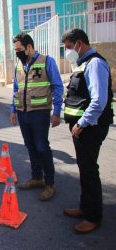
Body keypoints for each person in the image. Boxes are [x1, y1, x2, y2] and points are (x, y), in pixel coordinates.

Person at [61, 29, 114, 234]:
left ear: (79, 44)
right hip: (83, 128)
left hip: (90, 128)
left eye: (67, 47)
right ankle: (85, 208)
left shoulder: (95, 64)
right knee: (85, 169)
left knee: (89, 171)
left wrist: (82, 124)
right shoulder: (83, 64)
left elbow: (99, 100)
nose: (67, 51)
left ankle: (93, 217)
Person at [10, 33, 63, 201]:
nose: (17, 53)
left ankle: (50, 183)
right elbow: (15, 90)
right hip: (22, 113)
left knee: (42, 147)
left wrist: (56, 112)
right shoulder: (19, 65)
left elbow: (57, 87)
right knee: (30, 146)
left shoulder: (47, 61)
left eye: (19, 49)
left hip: (40, 113)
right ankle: (37, 177)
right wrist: (13, 110)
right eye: (15, 50)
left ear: (29, 47)